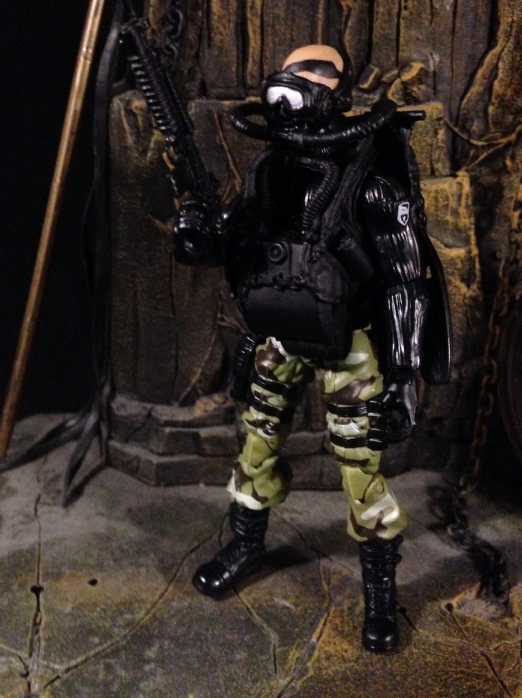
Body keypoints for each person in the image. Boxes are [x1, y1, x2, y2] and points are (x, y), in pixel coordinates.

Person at [173, 44, 451, 652]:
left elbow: (406, 282)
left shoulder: (371, 181)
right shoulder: (269, 173)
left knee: (360, 465)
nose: (297, 83)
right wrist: (197, 235)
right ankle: (246, 543)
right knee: (256, 443)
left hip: (349, 341)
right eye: (293, 70)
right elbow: (236, 244)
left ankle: (380, 591)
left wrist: (404, 377)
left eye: (317, 72)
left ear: (339, 94)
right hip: (278, 335)